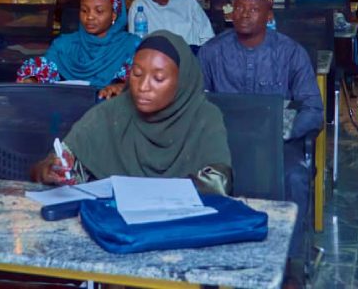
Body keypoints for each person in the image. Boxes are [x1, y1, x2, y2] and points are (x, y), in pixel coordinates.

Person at [198, 0, 323, 264]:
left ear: (269, 16)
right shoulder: (212, 52)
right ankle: (212, 260)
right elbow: (195, 102)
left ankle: (291, 262)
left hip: (276, 145)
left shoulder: (290, 53)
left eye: (254, 9)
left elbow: (313, 109)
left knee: (296, 177)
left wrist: (283, 131)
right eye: (239, 7)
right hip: (225, 145)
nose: (244, 14)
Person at [32, 31, 232, 196]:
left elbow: (219, 183)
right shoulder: (109, 114)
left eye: (158, 78)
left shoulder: (204, 116)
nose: (143, 87)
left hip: (184, 225)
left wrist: (145, 193)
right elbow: (53, 167)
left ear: (182, 81)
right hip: (114, 224)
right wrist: (50, 171)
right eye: (137, 74)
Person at [17, 0, 140, 96]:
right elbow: (44, 69)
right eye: (84, 10)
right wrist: (32, 80)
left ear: (113, 15)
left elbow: (138, 80)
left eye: (99, 11)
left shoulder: (131, 45)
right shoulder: (63, 45)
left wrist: (122, 86)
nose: (90, 17)